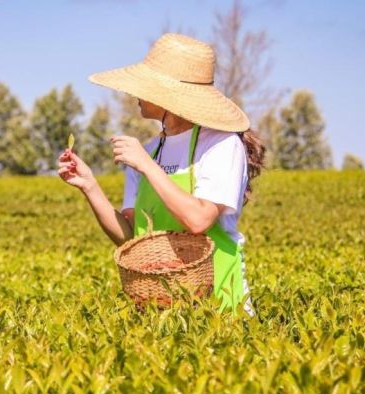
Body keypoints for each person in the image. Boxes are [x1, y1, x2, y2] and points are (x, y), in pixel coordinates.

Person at [57, 33, 265, 317]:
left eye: (145, 86)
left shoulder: (219, 144)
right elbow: (132, 241)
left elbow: (199, 219)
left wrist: (147, 166)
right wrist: (89, 185)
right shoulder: (149, 151)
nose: (134, 94)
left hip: (220, 307)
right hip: (159, 312)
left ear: (169, 96)